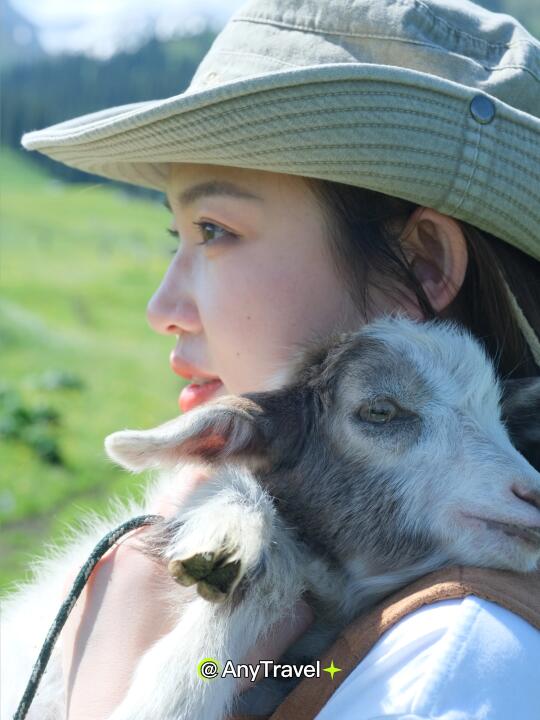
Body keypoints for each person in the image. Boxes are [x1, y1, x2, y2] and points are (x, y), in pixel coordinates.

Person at [20, 0, 540, 718]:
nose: (162, 306)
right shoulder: (336, 597)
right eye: (178, 235)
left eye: (215, 229)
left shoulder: (453, 662)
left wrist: (121, 678)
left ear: (421, 264)